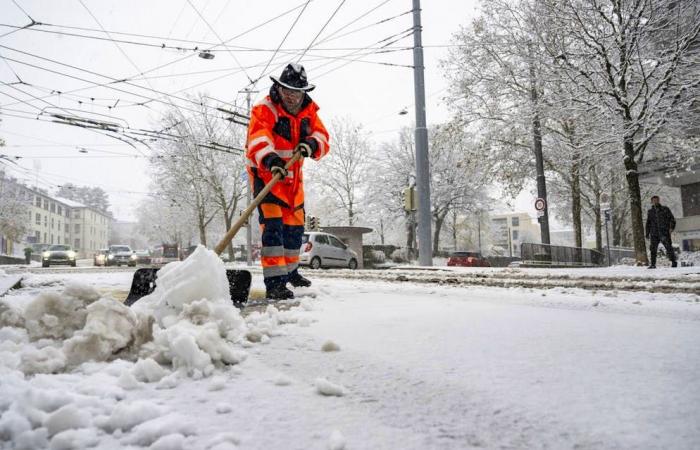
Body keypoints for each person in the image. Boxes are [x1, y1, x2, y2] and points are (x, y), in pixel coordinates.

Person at [246, 63, 330, 299]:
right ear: (279, 88)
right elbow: (258, 139)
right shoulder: (265, 109)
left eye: (296, 91)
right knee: (273, 231)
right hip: (267, 177)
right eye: (287, 90)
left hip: (293, 183)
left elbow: (322, 136)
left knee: (294, 231)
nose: (291, 96)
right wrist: (271, 161)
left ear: (304, 92)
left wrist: (312, 144)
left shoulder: (309, 111)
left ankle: (291, 272)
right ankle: (274, 283)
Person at [645, 195, 677, 268]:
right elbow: (648, 223)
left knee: (668, 247)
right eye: (653, 200)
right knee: (653, 249)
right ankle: (653, 264)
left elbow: (672, 219)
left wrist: (671, 228)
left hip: (664, 232)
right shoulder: (650, 212)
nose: (655, 201)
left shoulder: (665, 209)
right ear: (651, 202)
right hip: (654, 233)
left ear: (659, 200)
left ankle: (674, 262)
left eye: (656, 200)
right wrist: (647, 233)